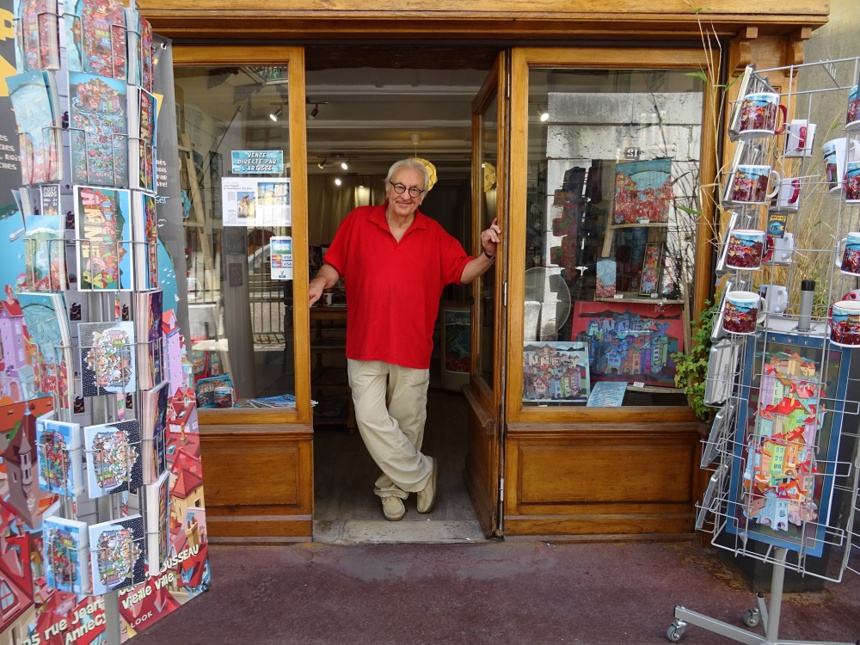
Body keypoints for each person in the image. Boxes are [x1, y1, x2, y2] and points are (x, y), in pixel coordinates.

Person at [308, 158, 501, 521]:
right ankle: (422, 472)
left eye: (414, 190)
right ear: (387, 187)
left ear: (423, 197)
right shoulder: (358, 221)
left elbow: (463, 271)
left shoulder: (434, 233)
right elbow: (334, 264)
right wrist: (320, 281)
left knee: (407, 421)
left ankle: (393, 489)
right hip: (365, 341)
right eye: (399, 186)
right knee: (368, 416)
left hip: (412, 344)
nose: (405, 195)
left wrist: (487, 253)